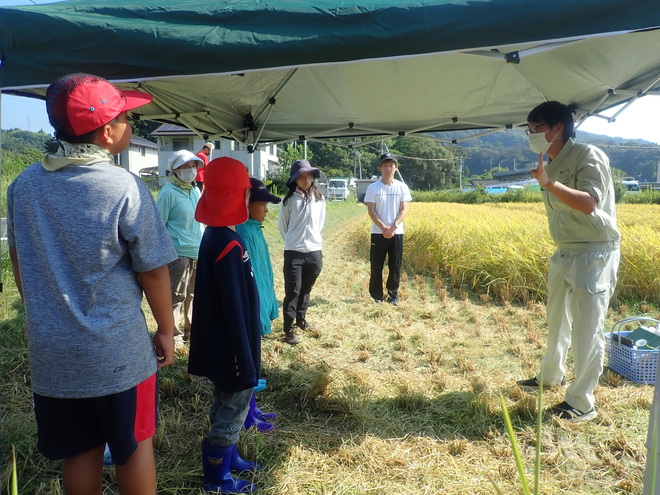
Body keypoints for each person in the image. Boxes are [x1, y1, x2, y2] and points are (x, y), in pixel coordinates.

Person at [6, 73, 178, 495]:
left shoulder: (23, 186)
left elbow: (21, 260)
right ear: (107, 132)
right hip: (116, 353)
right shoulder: (124, 187)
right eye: (126, 116)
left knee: (79, 452)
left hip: (53, 353)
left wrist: (36, 315)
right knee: (134, 446)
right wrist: (167, 329)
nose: (131, 124)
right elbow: (153, 272)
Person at [517, 101, 620, 422]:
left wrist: (548, 183)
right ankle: (551, 375)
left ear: (557, 127)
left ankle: (581, 402)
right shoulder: (550, 160)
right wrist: (548, 179)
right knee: (557, 317)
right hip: (564, 249)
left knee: (587, 327)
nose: (531, 134)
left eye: (536, 128)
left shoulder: (588, 156)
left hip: (594, 251)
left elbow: (589, 203)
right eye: (529, 129)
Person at [187, 157, 262, 494]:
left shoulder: (216, 236)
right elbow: (233, 310)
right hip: (234, 348)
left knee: (224, 402)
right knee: (232, 410)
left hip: (224, 346)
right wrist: (245, 360)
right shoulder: (229, 246)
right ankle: (217, 476)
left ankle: (229, 458)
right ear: (240, 196)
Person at [236, 178, 281, 428]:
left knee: (255, 359)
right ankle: (246, 415)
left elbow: (264, 274)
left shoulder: (254, 231)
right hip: (252, 307)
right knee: (248, 362)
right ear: (246, 204)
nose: (266, 210)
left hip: (260, 303)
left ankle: (252, 408)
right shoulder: (243, 233)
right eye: (261, 204)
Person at [156, 149, 204, 344]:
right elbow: (159, 225)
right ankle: (174, 334)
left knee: (193, 295)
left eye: (193, 166)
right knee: (176, 294)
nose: (191, 170)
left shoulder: (195, 190)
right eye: (186, 167)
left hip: (197, 250)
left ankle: (191, 330)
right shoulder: (168, 192)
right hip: (178, 252)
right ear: (175, 170)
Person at [278, 160, 326, 346]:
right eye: (302, 176)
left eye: (309, 176)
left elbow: (319, 224)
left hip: (314, 251)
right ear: (295, 179)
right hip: (294, 253)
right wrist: (293, 241)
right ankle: (288, 330)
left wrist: (312, 240)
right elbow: (283, 227)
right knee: (293, 291)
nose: (306, 180)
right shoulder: (289, 201)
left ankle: (301, 320)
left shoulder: (319, 199)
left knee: (306, 289)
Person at [365, 152, 412, 306]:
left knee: (395, 265)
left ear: (396, 168)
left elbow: (403, 210)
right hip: (378, 233)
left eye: (391, 165)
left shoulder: (402, 187)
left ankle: (393, 295)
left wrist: (393, 228)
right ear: (380, 167)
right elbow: (371, 210)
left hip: (397, 233)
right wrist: (384, 227)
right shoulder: (373, 188)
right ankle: (376, 296)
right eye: (385, 165)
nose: (388, 169)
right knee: (376, 265)